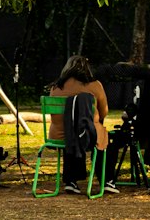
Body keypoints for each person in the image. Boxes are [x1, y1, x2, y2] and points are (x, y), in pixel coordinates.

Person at [48, 54, 116, 195]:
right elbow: (104, 112)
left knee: (70, 132)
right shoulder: (95, 85)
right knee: (104, 139)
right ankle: (107, 180)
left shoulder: (55, 87)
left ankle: (70, 181)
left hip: (59, 135)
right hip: (87, 134)